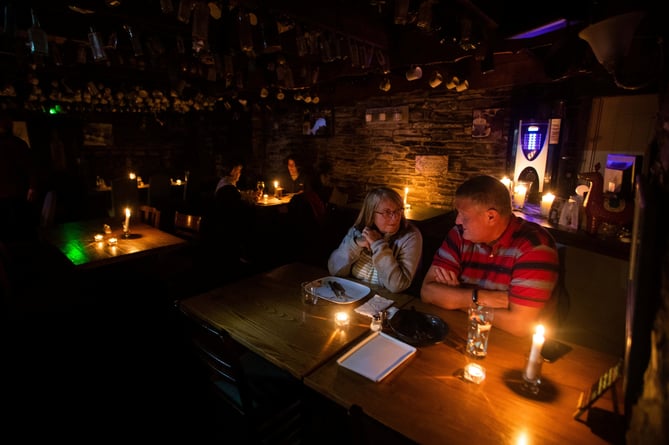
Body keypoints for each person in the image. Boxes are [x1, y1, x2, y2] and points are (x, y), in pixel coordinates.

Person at [420, 175, 559, 337]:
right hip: (460, 332)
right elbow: (427, 292)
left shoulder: (535, 247)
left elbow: (520, 325)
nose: (457, 221)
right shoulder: (459, 235)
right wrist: (480, 297)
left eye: (464, 216)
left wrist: (456, 299)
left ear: (491, 216)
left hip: (511, 346)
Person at [328, 187, 422, 293]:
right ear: (371, 214)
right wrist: (355, 244)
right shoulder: (359, 230)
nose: (395, 217)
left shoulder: (410, 236)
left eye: (398, 210)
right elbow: (334, 270)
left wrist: (378, 245)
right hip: (353, 293)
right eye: (387, 212)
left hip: (388, 300)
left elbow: (397, 286)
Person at [200, 156, 257, 279]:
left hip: (222, 223)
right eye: (238, 171)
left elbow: (238, 194)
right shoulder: (228, 188)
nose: (239, 174)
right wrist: (251, 201)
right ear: (233, 171)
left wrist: (247, 195)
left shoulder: (224, 183)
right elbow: (238, 205)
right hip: (228, 226)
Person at [0, 112, 37, 241]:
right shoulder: (19, 143)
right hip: (15, 192)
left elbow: (30, 167)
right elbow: (30, 167)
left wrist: (32, 187)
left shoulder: (18, 144)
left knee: (16, 229)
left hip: (15, 192)